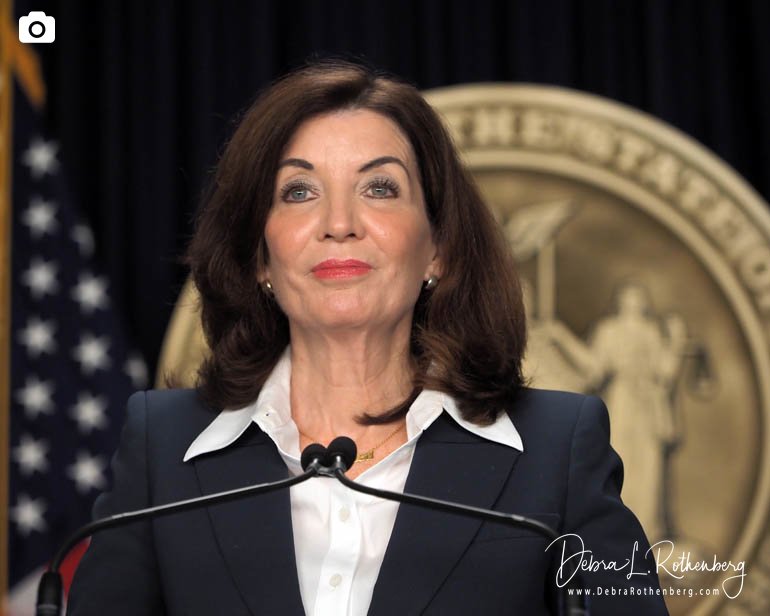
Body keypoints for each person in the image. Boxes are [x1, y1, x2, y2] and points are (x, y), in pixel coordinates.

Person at [68, 60, 669, 615]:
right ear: (259, 255)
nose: (339, 224)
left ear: (438, 246)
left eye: (379, 188)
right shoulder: (162, 450)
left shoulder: (556, 450)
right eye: (298, 191)